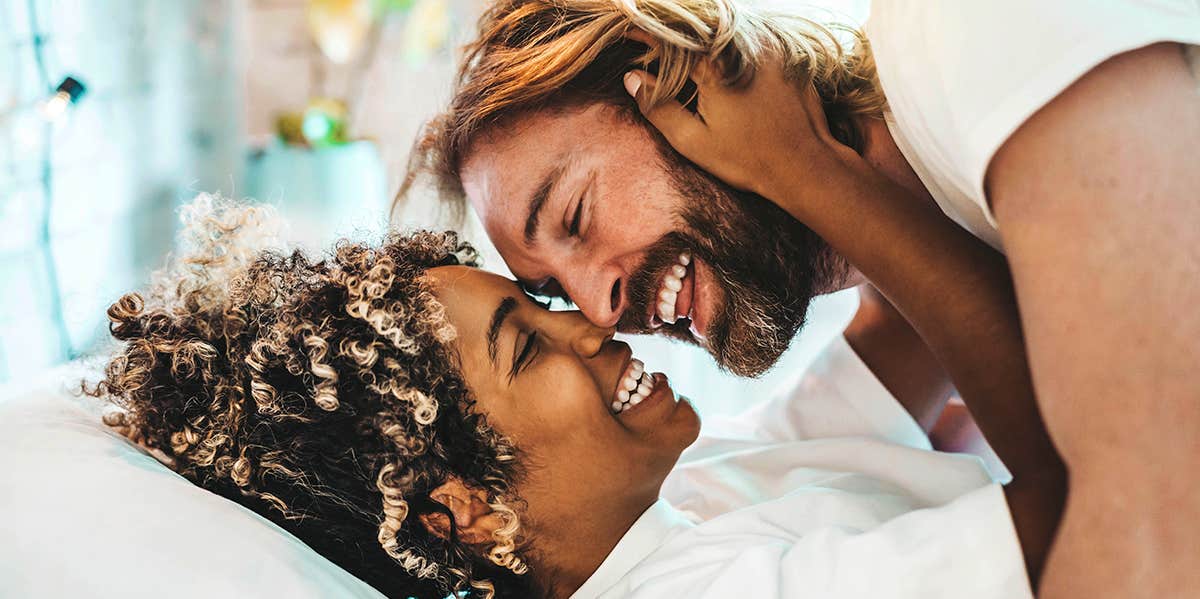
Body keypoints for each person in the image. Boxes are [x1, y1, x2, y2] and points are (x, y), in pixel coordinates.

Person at [400, 2, 1200, 595]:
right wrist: (806, 172)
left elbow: (1147, 524)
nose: (598, 311)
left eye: (575, 216)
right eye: (547, 290)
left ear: (680, 80)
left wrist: (803, 168)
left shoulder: (977, 35)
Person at [90, 197, 1060, 598]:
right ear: (461, 507)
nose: (592, 326)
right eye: (527, 347)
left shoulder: (691, 495)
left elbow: (905, 325)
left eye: (536, 307)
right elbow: (1124, 508)